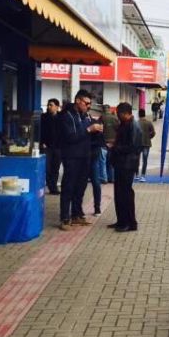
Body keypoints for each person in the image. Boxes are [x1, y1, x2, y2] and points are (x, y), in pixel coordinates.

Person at [58, 89, 102, 231]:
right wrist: (89, 130)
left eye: (90, 104)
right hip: (72, 157)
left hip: (85, 156)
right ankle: (65, 217)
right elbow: (71, 137)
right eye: (86, 103)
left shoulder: (86, 116)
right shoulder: (67, 115)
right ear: (78, 101)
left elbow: (88, 137)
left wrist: (98, 132)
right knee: (68, 187)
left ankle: (77, 213)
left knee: (81, 187)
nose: (88, 106)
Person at [109, 102, 142, 232]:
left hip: (128, 165)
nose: (117, 116)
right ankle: (121, 220)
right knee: (119, 193)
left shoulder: (134, 126)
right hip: (120, 163)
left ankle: (129, 222)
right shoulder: (124, 124)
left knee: (126, 194)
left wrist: (116, 147)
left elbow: (133, 147)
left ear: (126, 113)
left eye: (119, 114)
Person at [40, 98, 62, 194]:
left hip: (58, 147)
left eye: (51, 105)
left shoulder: (61, 118)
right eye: (48, 105)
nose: (49, 107)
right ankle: (50, 186)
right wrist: (42, 142)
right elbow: (40, 131)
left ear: (57, 107)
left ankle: (54, 188)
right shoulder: (44, 117)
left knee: (55, 168)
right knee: (47, 168)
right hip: (47, 146)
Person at [89, 113, 106, 216]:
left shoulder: (98, 133)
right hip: (91, 159)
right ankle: (97, 208)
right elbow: (101, 144)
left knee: (96, 183)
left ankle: (97, 208)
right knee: (96, 183)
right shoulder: (92, 131)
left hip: (92, 159)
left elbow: (101, 143)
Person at [100, 104, 119, 183]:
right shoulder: (115, 118)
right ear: (109, 109)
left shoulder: (102, 118)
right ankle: (113, 178)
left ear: (103, 110)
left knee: (103, 161)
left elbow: (100, 130)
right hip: (114, 142)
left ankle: (104, 178)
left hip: (104, 142)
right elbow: (118, 129)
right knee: (112, 161)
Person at [137, 108, 155, 182]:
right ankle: (143, 176)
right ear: (144, 114)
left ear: (139, 115)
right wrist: (149, 137)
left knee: (136, 159)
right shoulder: (149, 123)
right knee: (145, 160)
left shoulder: (136, 123)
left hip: (138, 144)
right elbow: (153, 132)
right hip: (147, 144)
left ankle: (137, 175)